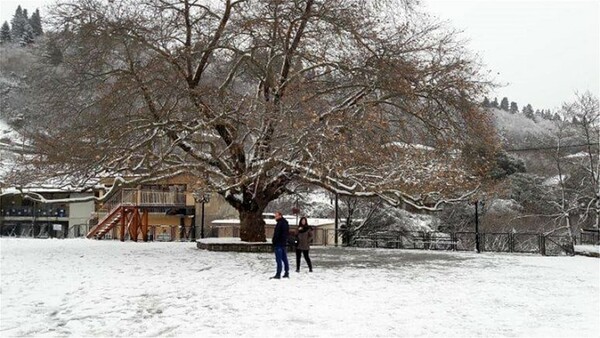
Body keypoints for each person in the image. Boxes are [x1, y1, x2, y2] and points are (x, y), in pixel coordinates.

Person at [270, 211, 290, 279]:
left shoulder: (280, 223)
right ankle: (286, 272)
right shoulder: (285, 223)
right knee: (284, 258)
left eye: (276, 216)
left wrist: (274, 241)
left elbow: (277, 234)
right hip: (283, 243)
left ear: (280, 216)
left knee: (279, 259)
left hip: (279, 243)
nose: (275, 217)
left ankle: (278, 274)